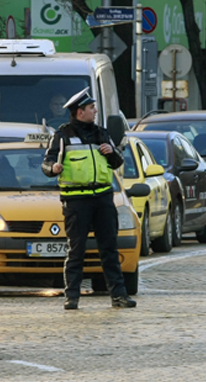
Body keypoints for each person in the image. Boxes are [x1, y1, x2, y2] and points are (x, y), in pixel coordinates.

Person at [42, 86, 136, 310]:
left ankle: (118, 296)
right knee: (76, 250)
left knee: (109, 250)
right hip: (76, 202)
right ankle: (72, 296)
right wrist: (53, 168)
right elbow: (46, 163)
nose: (95, 111)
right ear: (79, 111)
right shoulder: (62, 135)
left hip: (103, 198)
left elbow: (117, 162)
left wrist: (111, 153)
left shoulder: (102, 133)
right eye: (91, 108)